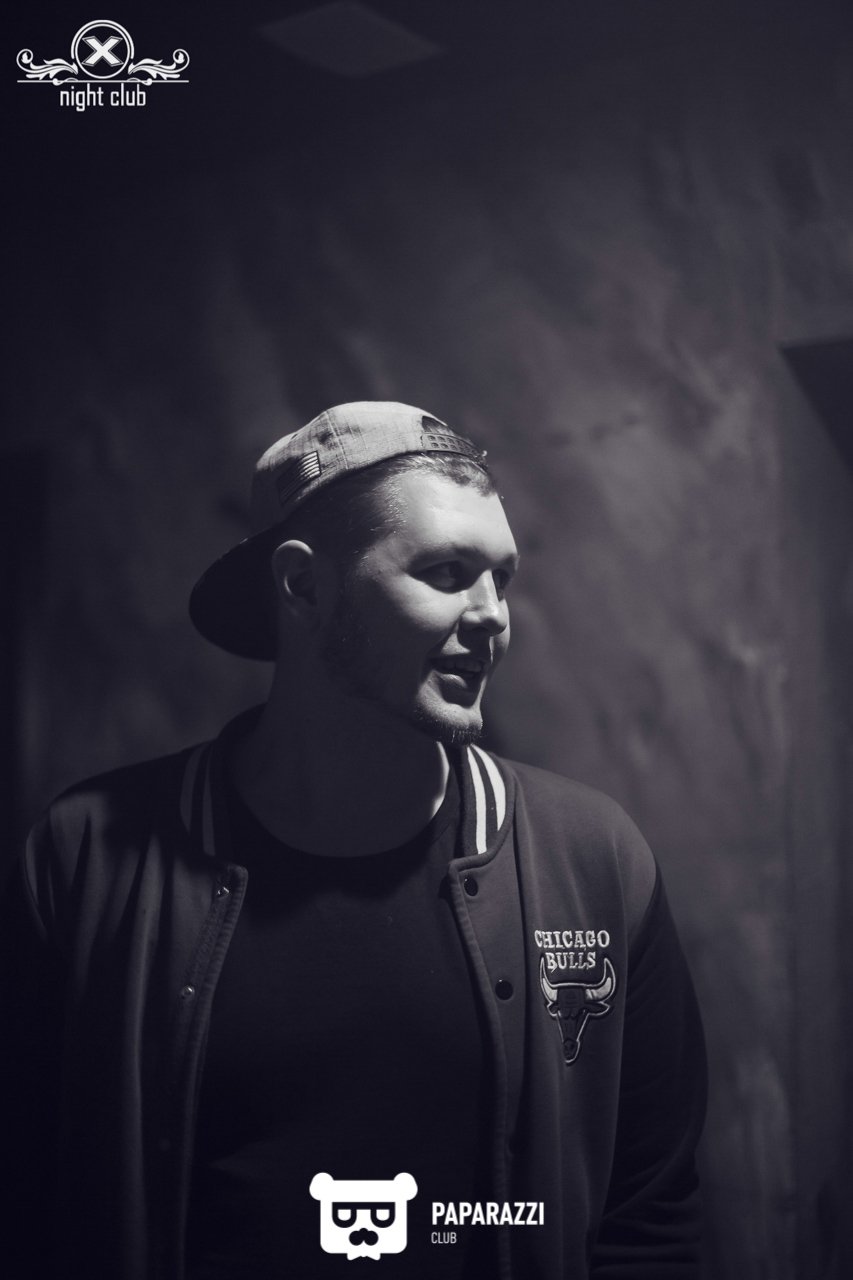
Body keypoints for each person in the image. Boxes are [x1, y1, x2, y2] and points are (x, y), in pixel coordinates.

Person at [2, 401, 706, 1280]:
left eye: (501, 578)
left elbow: (650, 1218)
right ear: (302, 586)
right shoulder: (86, 859)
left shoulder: (592, 859)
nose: (493, 616)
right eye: (446, 572)